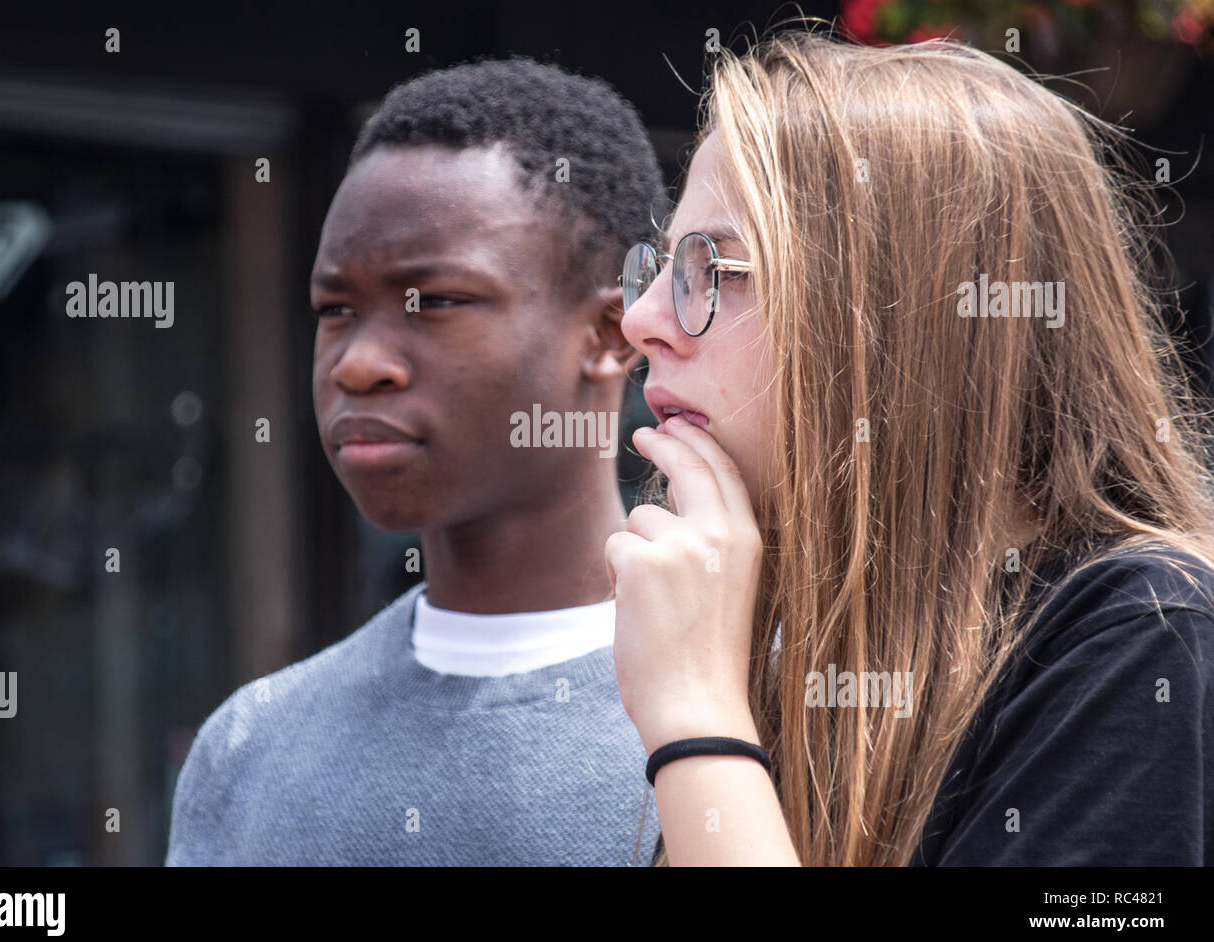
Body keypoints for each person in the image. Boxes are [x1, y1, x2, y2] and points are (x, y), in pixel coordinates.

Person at [609, 26, 1214, 866]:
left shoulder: (1147, 633)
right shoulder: (800, 630)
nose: (640, 323)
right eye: (664, 264)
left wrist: (696, 720)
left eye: (714, 268)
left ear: (898, 321)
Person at [166, 56, 667, 865]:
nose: (358, 365)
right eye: (335, 310)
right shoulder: (249, 750)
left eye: (433, 302)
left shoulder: (760, 719)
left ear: (610, 335)